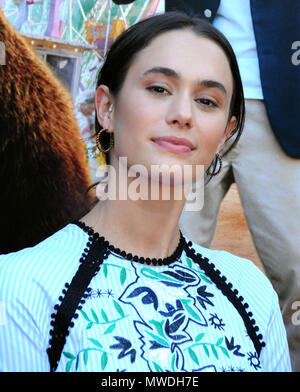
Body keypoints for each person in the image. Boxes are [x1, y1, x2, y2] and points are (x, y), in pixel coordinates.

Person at [0, 12, 291, 372]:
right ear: (106, 107)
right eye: (158, 89)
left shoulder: (251, 292)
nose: (183, 114)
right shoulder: (19, 288)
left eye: (207, 101)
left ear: (225, 134)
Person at [164, 0, 300, 372]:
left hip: (279, 104)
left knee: (297, 271)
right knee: (162, 259)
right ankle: (165, 366)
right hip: (189, 98)